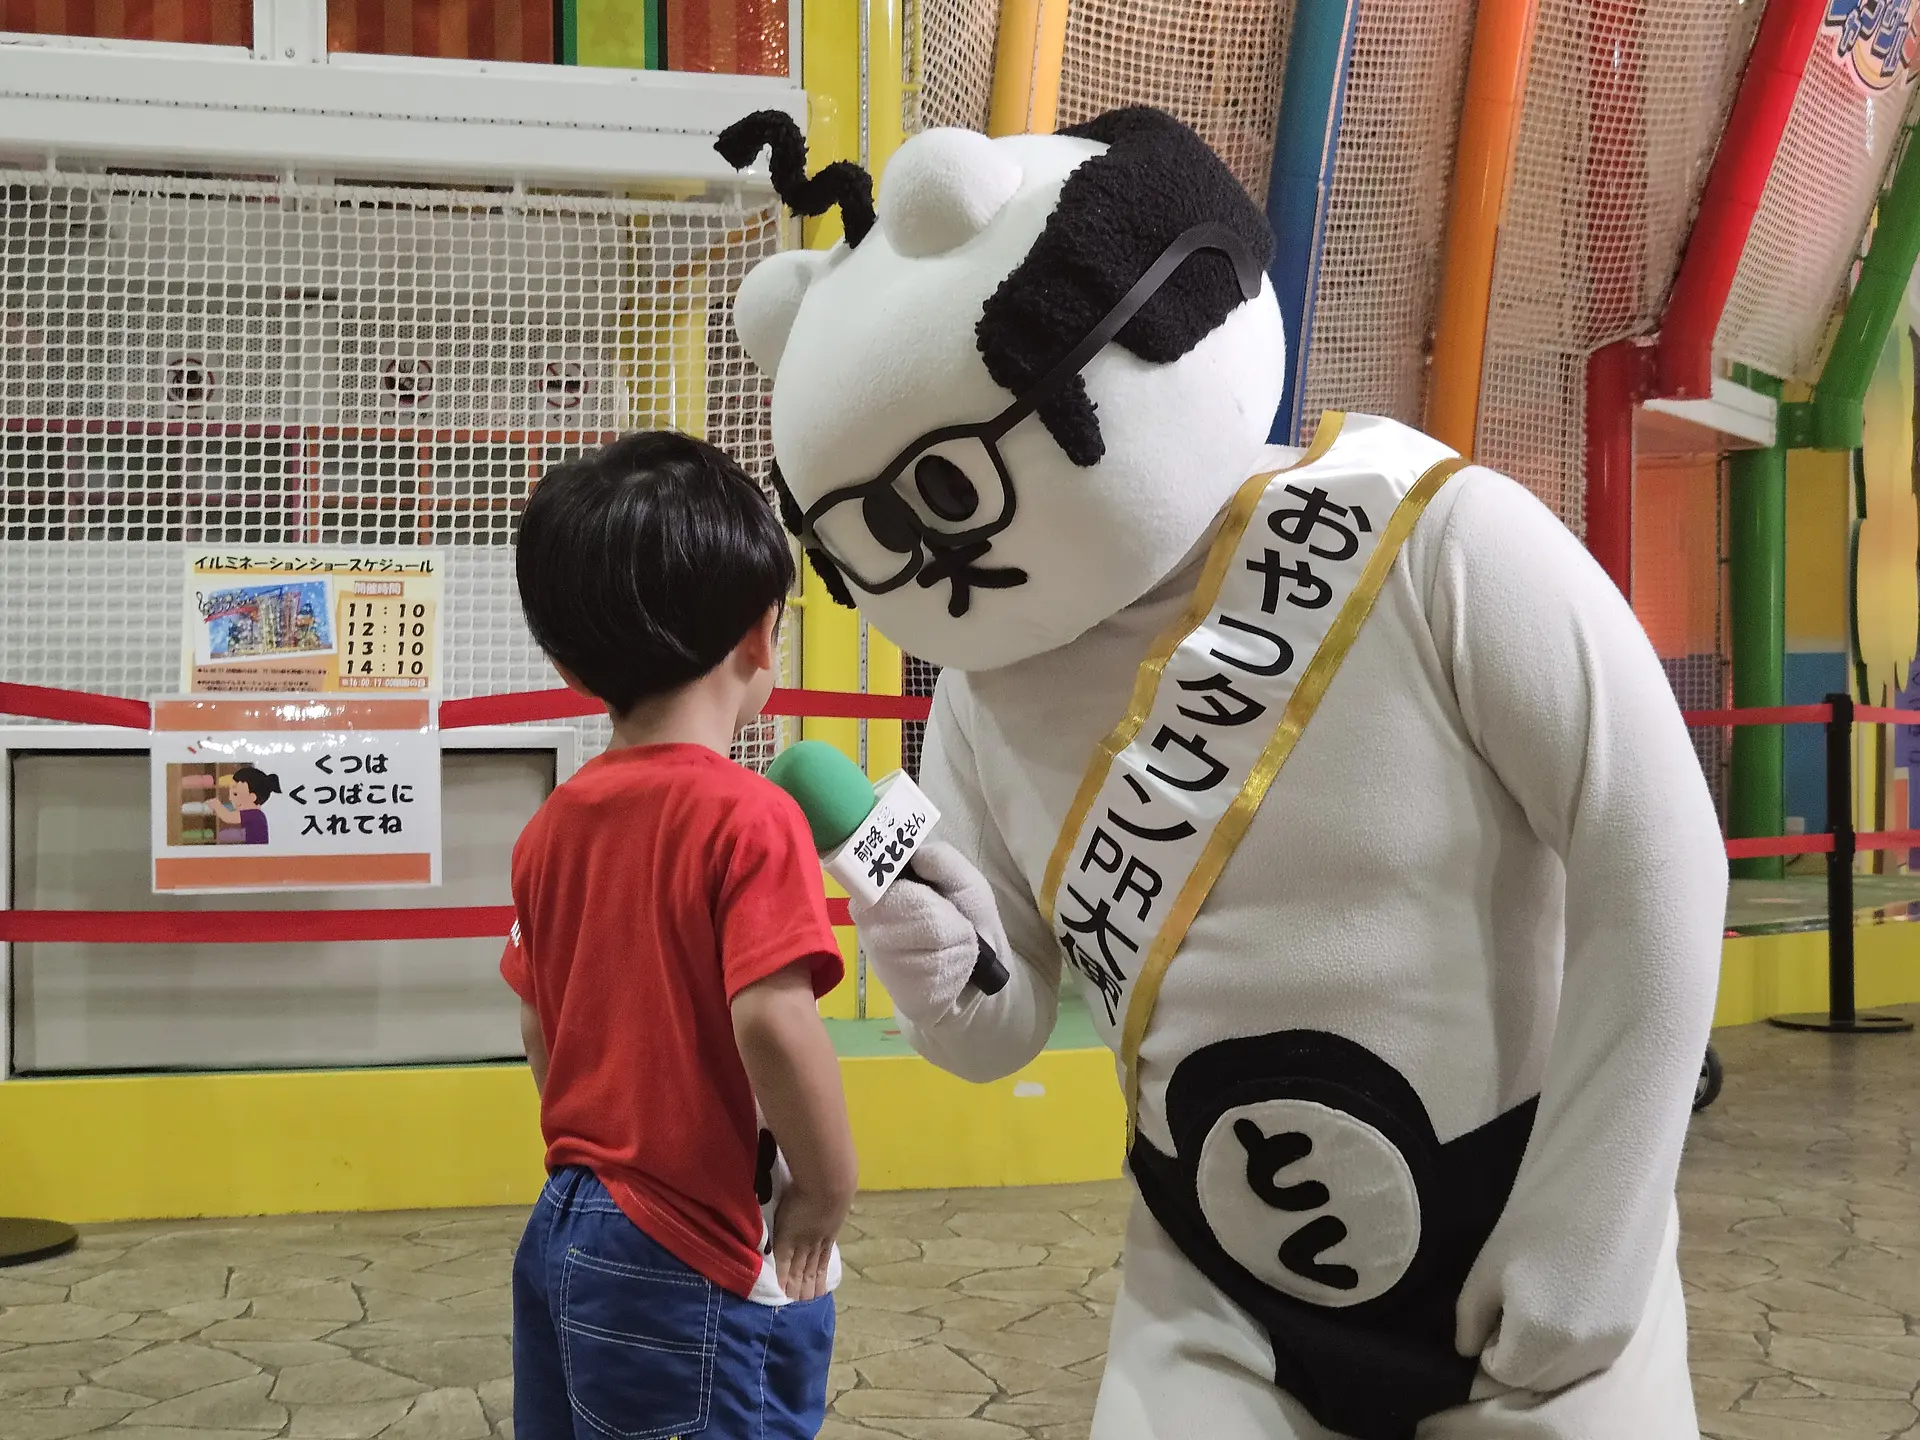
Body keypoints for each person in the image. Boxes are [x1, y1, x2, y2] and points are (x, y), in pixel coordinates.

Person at [502, 430, 856, 1440]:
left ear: (565, 661)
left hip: (568, 1221)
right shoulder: (750, 817)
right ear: (762, 635)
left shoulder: (551, 826)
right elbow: (774, 1023)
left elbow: (538, 1027)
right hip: (690, 1247)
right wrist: (826, 1188)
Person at [208, 766, 278, 844]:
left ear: (252, 797)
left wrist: (216, 805)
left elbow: (228, 817)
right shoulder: (256, 814)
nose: (230, 798)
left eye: (235, 794)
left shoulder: (253, 814)